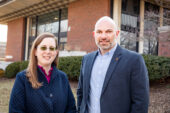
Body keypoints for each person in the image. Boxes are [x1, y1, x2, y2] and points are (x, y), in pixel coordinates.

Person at [77, 16, 149, 113]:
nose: (103, 36)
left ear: (117, 33)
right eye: (99, 32)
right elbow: (81, 92)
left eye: (108, 31)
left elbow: (141, 102)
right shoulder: (87, 59)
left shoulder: (134, 60)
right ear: (94, 34)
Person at [9, 32, 76, 113]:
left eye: (51, 48)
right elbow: (15, 110)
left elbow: (71, 109)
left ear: (56, 52)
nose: (48, 52)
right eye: (43, 48)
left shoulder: (63, 77)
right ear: (35, 51)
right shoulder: (23, 78)